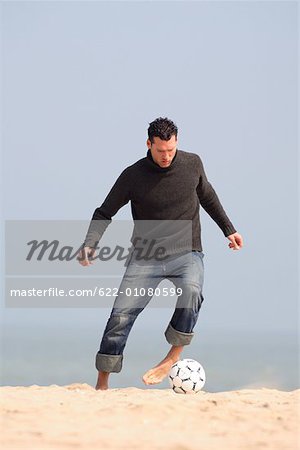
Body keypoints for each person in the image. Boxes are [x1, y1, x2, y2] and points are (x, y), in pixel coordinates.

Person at [78, 117, 243, 390]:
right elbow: (104, 212)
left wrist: (229, 229)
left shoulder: (192, 164)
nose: (166, 156)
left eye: (171, 150)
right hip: (146, 255)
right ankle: (102, 383)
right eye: (160, 151)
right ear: (148, 144)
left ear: (177, 142)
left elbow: (208, 196)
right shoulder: (133, 175)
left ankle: (172, 357)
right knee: (120, 315)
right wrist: (89, 243)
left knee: (192, 290)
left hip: (186, 250)